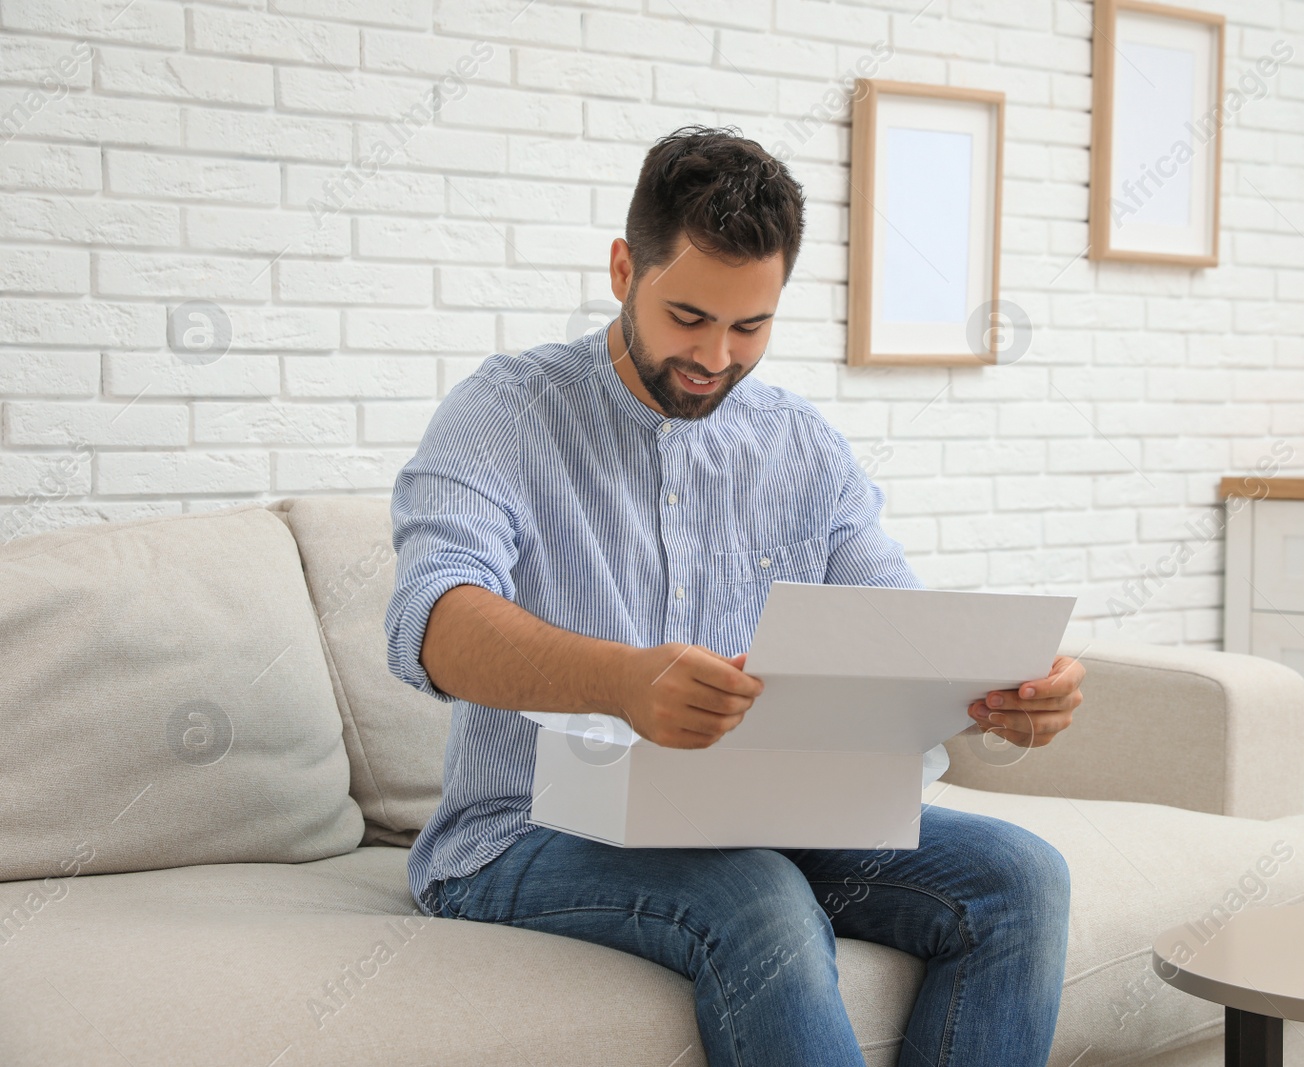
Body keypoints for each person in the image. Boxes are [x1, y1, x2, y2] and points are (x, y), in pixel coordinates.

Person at [384, 124, 1085, 1067]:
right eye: (688, 317)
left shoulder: (799, 446)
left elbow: (897, 630)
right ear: (625, 267)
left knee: (1021, 876)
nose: (715, 355)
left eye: (749, 326)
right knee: (757, 897)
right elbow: (433, 622)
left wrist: (1002, 690)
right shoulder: (507, 412)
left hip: (767, 812)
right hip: (528, 828)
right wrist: (625, 681)